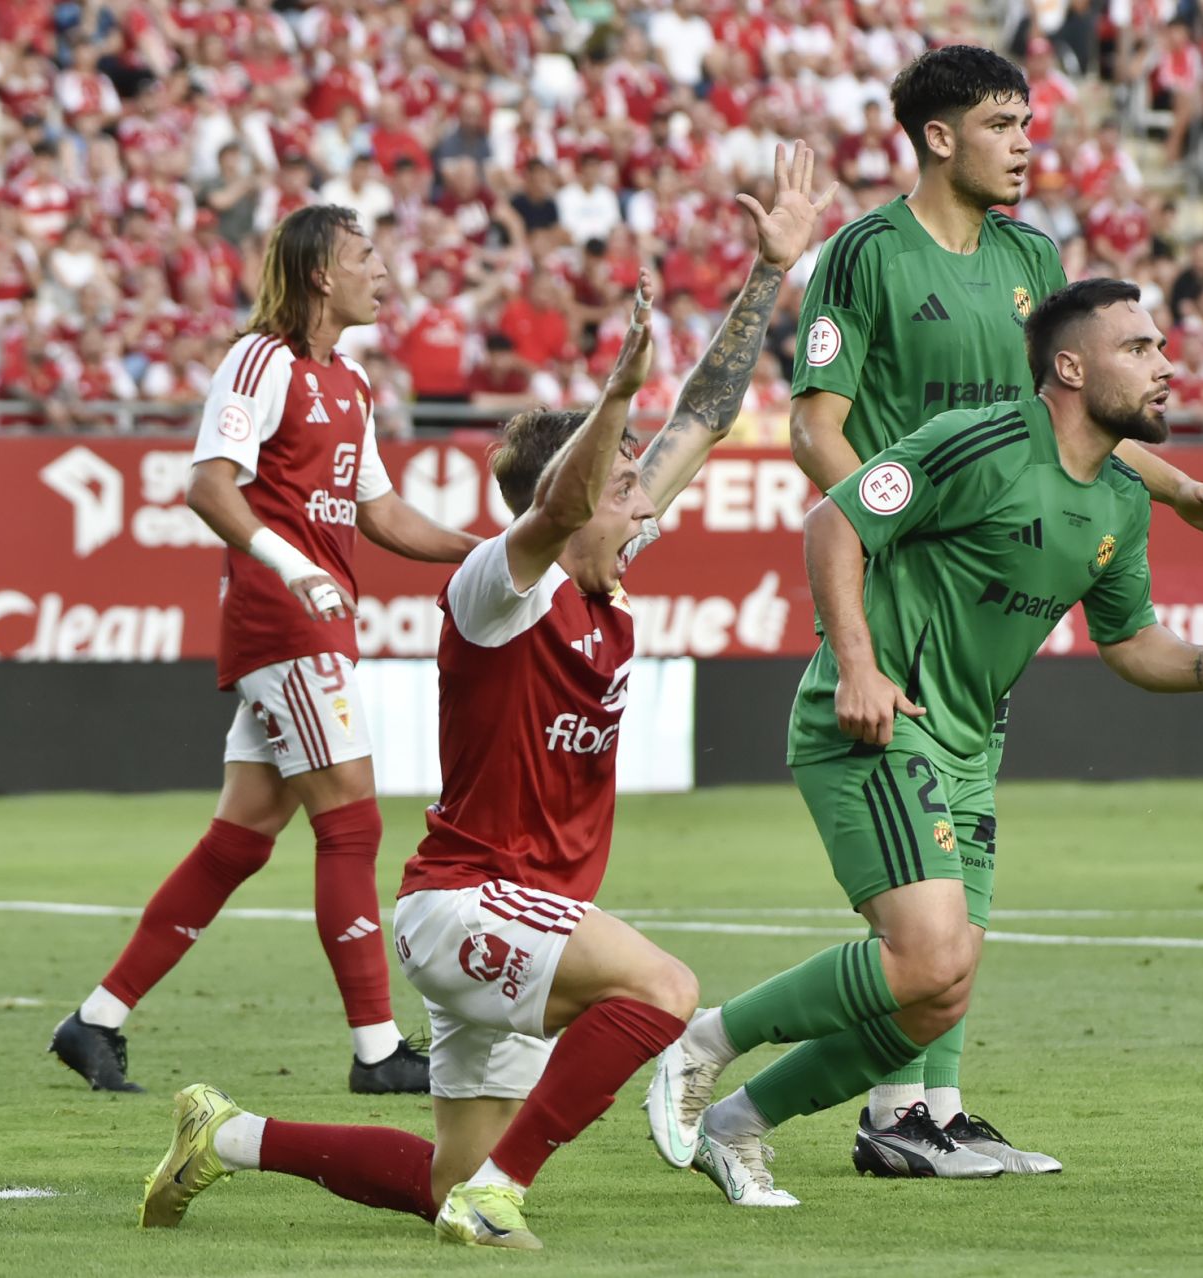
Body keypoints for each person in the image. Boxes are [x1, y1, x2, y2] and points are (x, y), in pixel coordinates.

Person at [133, 143, 835, 1251]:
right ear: (565, 501)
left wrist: (768, 275)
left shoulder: (604, 559)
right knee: (661, 991)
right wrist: (609, 398)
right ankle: (499, 1188)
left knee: (439, 1176)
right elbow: (557, 507)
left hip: (514, 915)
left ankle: (226, 1136)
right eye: (621, 486)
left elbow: (701, 413)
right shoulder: (500, 587)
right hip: (469, 904)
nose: (640, 501)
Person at [651, 278, 1203, 1206]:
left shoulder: (1119, 501)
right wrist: (861, 668)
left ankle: (737, 1126)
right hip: (874, 722)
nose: (1166, 364)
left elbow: (1126, 638)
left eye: (1160, 348)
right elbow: (832, 522)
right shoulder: (977, 442)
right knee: (925, 958)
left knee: (933, 999)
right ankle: (698, 1044)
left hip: (970, 752)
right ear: (1069, 368)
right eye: (1140, 349)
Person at [734, 43, 1203, 1184]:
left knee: (963, 855)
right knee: (923, 867)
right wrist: (888, 534)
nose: (1025, 144)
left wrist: (1175, 483)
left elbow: (1070, 422)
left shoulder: (1033, 255)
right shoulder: (863, 255)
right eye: (1005, 124)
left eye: (1028, 124)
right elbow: (819, 425)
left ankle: (928, 1107)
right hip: (905, 566)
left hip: (985, 595)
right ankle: (790, 1083)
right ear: (937, 136)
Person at [48, 205, 479, 1096]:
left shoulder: (351, 382)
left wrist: (485, 551)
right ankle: (377, 1053)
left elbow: (382, 515)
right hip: (285, 621)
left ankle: (95, 1021)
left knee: (240, 840)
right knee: (352, 820)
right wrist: (293, 567)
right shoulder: (260, 359)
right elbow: (209, 486)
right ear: (321, 273)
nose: (383, 271)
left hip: (316, 617)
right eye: (366, 257)